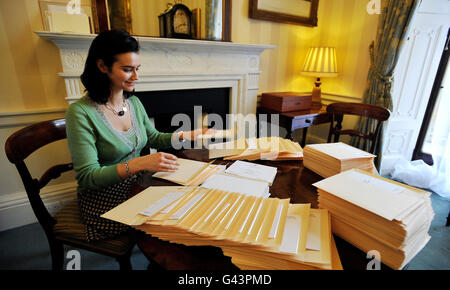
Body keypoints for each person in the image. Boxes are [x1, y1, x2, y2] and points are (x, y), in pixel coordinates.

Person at [66, 30, 208, 241]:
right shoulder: (80, 113)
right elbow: (88, 178)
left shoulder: (133, 103)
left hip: (138, 184)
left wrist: (187, 134)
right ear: (102, 66)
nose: (136, 76)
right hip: (104, 199)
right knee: (176, 218)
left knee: (192, 199)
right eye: (127, 70)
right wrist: (140, 163)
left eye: (137, 69)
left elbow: (153, 137)